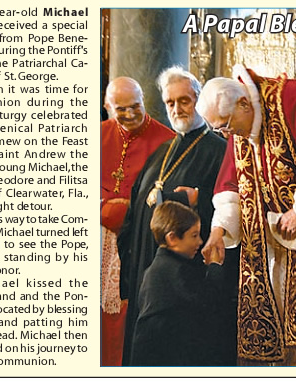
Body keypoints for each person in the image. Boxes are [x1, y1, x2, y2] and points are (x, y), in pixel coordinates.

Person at [196, 65, 296, 366]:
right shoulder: (238, 121)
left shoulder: (294, 98)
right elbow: (232, 185)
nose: (226, 135)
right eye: (218, 129)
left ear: (244, 103)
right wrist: (218, 230)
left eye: (225, 126)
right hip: (280, 242)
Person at [118, 66, 227, 365]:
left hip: (185, 286)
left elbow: (230, 204)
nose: (177, 108)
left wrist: (197, 198)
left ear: (198, 99)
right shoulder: (162, 151)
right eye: (170, 103)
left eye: (184, 100)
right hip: (148, 271)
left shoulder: (220, 150)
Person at [101, 76, 175, 366]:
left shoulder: (166, 140)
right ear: (108, 108)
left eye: (136, 106)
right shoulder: (97, 134)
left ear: (144, 101)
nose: (130, 114)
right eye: (121, 109)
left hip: (136, 244)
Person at [130, 201, 224, 366]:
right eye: (194, 235)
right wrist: (215, 267)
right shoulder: (175, 272)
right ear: (172, 238)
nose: (200, 241)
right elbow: (209, 301)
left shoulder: (158, 268)